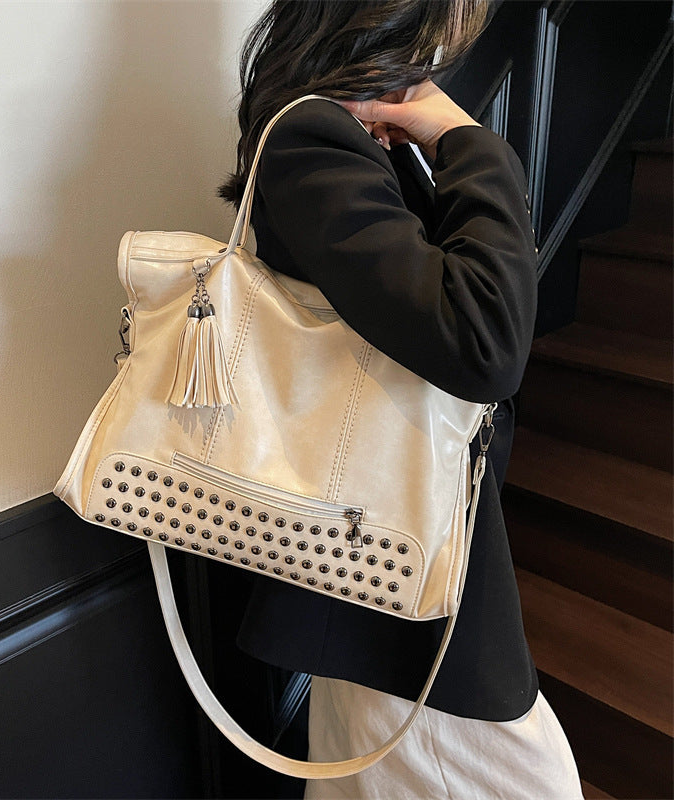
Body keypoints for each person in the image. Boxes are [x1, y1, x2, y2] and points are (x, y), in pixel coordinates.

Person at [217, 1, 583, 798]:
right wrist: (467, 139)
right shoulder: (315, 136)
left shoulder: (342, 134)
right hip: (390, 558)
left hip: (379, 545)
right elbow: (483, 339)